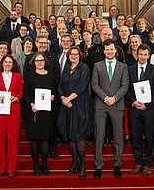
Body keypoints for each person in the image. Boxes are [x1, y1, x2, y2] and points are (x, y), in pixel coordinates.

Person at [91, 39, 129, 179]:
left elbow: (125, 86)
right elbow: (94, 84)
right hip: (101, 105)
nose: (109, 52)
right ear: (104, 51)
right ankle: (98, 165)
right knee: (99, 136)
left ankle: (117, 164)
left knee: (118, 137)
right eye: (107, 50)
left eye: (111, 49)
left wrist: (114, 98)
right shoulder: (97, 66)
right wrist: (105, 98)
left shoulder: (123, 66)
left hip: (117, 105)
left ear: (116, 50)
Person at [57, 46, 92, 180]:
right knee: (70, 135)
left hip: (79, 104)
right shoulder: (66, 68)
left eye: (76, 54)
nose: (73, 56)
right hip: (66, 104)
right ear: (68, 55)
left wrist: (69, 99)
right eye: (71, 54)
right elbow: (60, 85)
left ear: (80, 55)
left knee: (78, 136)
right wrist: (63, 99)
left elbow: (82, 85)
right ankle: (75, 164)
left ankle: (83, 166)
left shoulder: (84, 68)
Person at [127, 44, 154, 176]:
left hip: (149, 110)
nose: (142, 56)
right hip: (134, 109)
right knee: (136, 137)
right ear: (137, 55)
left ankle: (148, 164)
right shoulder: (130, 70)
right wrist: (134, 102)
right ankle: (139, 162)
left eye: (145, 54)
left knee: (150, 137)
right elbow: (127, 89)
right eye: (140, 54)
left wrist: (147, 104)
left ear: (148, 55)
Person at [23, 52, 57, 176]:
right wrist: (31, 104)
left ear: (45, 62)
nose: (40, 62)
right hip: (34, 112)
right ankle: (36, 165)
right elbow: (25, 95)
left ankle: (45, 164)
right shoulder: (29, 76)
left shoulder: (51, 76)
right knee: (35, 140)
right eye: (37, 61)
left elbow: (55, 92)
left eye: (41, 60)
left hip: (47, 112)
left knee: (45, 139)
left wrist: (53, 96)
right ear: (34, 62)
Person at [0, 55, 23, 178]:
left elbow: (20, 92)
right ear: (2, 63)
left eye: (10, 62)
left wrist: (17, 98)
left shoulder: (18, 76)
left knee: (13, 140)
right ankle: (0, 168)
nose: (8, 64)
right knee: (0, 141)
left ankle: (11, 169)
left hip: (14, 111)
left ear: (13, 64)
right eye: (6, 62)